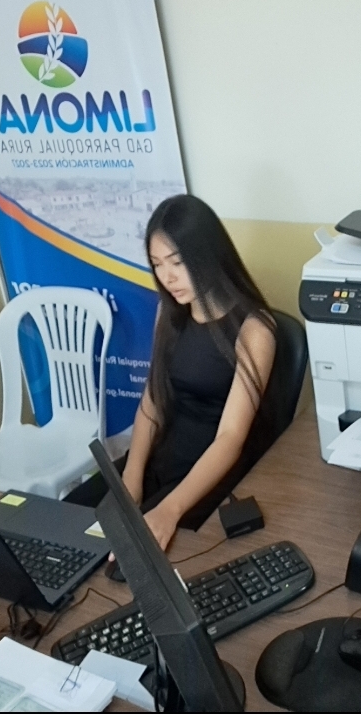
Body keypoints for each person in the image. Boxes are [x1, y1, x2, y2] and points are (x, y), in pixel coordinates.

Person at [66, 195, 277, 552]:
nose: (168, 277)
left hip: (207, 475)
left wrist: (170, 509)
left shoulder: (254, 330)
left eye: (177, 262)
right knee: (67, 522)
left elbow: (230, 437)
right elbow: (152, 400)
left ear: (208, 254)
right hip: (160, 460)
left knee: (124, 557)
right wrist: (132, 477)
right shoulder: (169, 313)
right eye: (157, 264)